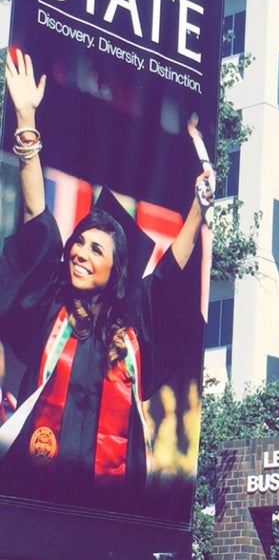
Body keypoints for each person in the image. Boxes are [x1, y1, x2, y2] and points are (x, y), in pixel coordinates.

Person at [0, 49, 212, 511]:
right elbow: (38, 219)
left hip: (110, 508)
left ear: (116, 270)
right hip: (32, 497)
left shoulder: (134, 332)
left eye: (96, 249)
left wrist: (198, 209)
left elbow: (172, 272)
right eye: (79, 242)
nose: (78, 252)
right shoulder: (50, 308)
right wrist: (25, 116)